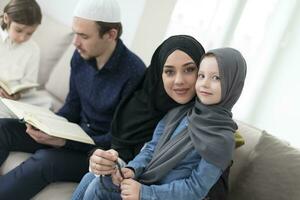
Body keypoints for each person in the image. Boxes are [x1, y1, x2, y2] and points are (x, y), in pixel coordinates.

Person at [0, 0, 145, 198]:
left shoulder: (135, 74)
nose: (75, 42)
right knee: (4, 128)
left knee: (45, 160)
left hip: (99, 153)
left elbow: (118, 141)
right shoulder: (80, 56)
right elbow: (71, 108)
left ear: (110, 35)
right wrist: (47, 124)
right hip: (72, 134)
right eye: (75, 33)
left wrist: (63, 142)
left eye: (84, 36)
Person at [81, 47, 247, 200]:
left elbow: (196, 189)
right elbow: (152, 148)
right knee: (93, 177)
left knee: (99, 186)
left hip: (161, 194)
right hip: (147, 182)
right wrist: (132, 169)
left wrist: (145, 193)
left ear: (232, 84)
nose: (204, 83)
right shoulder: (180, 112)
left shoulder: (222, 138)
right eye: (201, 75)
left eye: (216, 78)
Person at [71, 35, 206, 200]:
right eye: (169, 71)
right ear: (158, 73)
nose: (179, 80)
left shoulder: (203, 120)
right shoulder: (145, 103)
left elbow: (195, 184)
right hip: (134, 181)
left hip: (158, 191)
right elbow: (127, 154)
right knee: (91, 178)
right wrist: (107, 161)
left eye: (189, 69)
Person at [0, 0, 52, 117]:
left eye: (29, 33)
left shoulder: (33, 49)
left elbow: (29, 82)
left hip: (15, 96)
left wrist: (18, 95)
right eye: (18, 30)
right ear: (6, 18)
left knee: (47, 103)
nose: (23, 37)